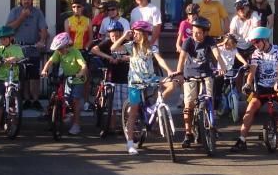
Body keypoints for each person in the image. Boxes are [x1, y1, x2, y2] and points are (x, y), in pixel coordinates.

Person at [111, 20, 174, 156]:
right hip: (135, 82)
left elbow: (160, 60)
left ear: (145, 34)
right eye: (135, 33)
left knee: (172, 83)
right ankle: (130, 143)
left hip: (151, 78)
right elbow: (113, 49)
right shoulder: (130, 46)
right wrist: (124, 36)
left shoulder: (151, 47)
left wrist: (169, 71)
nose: (136, 35)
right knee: (133, 111)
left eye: (139, 33)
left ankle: (156, 108)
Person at [232, 26, 278, 152]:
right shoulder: (256, 54)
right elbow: (252, 71)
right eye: (253, 42)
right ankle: (241, 140)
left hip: (276, 84)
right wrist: (247, 84)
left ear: (265, 40)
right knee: (250, 108)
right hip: (262, 87)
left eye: (257, 41)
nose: (255, 44)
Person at [174, 17, 220, 148]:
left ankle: (212, 125)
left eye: (199, 32)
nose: (195, 34)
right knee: (188, 105)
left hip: (206, 73)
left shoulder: (209, 40)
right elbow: (182, 57)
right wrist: (179, 72)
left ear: (205, 33)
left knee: (209, 98)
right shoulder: (188, 41)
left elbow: (217, 54)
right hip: (190, 74)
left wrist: (222, 66)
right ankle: (188, 133)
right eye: (193, 31)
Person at [5, 0, 49, 111]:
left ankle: (35, 100)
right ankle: (26, 99)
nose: (27, 2)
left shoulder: (37, 12)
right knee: (22, 76)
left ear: (32, 0)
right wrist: (22, 17)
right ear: (21, 0)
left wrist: (42, 41)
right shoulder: (15, 11)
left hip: (33, 47)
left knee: (34, 76)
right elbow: (8, 28)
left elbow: (43, 29)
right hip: (19, 47)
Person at [40, 32, 89, 135]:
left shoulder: (75, 52)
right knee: (61, 97)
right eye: (58, 49)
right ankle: (54, 115)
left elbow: (83, 65)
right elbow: (50, 62)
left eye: (61, 49)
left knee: (75, 100)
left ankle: (76, 125)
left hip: (77, 78)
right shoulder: (58, 52)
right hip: (66, 77)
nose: (59, 51)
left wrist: (80, 73)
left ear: (67, 45)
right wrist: (44, 70)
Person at [89, 20, 130, 137]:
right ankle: (111, 126)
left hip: (126, 76)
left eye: (117, 35)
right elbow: (93, 49)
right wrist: (108, 57)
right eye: (112, 36)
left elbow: (135, 55)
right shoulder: (107, 43)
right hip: (112, 77)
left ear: (122, 34)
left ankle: (125, 125)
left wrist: (123, 58)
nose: (115, 38)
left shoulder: (127, 43)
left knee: (126, 105)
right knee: (115, 105)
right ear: (109, 35)